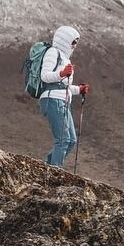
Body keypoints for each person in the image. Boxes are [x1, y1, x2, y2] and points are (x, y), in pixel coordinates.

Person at [37, 26, 89, 167]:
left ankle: (47, 166)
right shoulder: (53, 52)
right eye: (73, 42)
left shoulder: (65, 58)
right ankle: (55, 171)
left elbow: (63, 87)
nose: (74, 46)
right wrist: (62, 73)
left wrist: (79, 89)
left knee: (71, 140)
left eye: (76, 43)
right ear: (65, 40)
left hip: (62, 100)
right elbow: (45, 76)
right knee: (63, 139)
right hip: (52, 99)